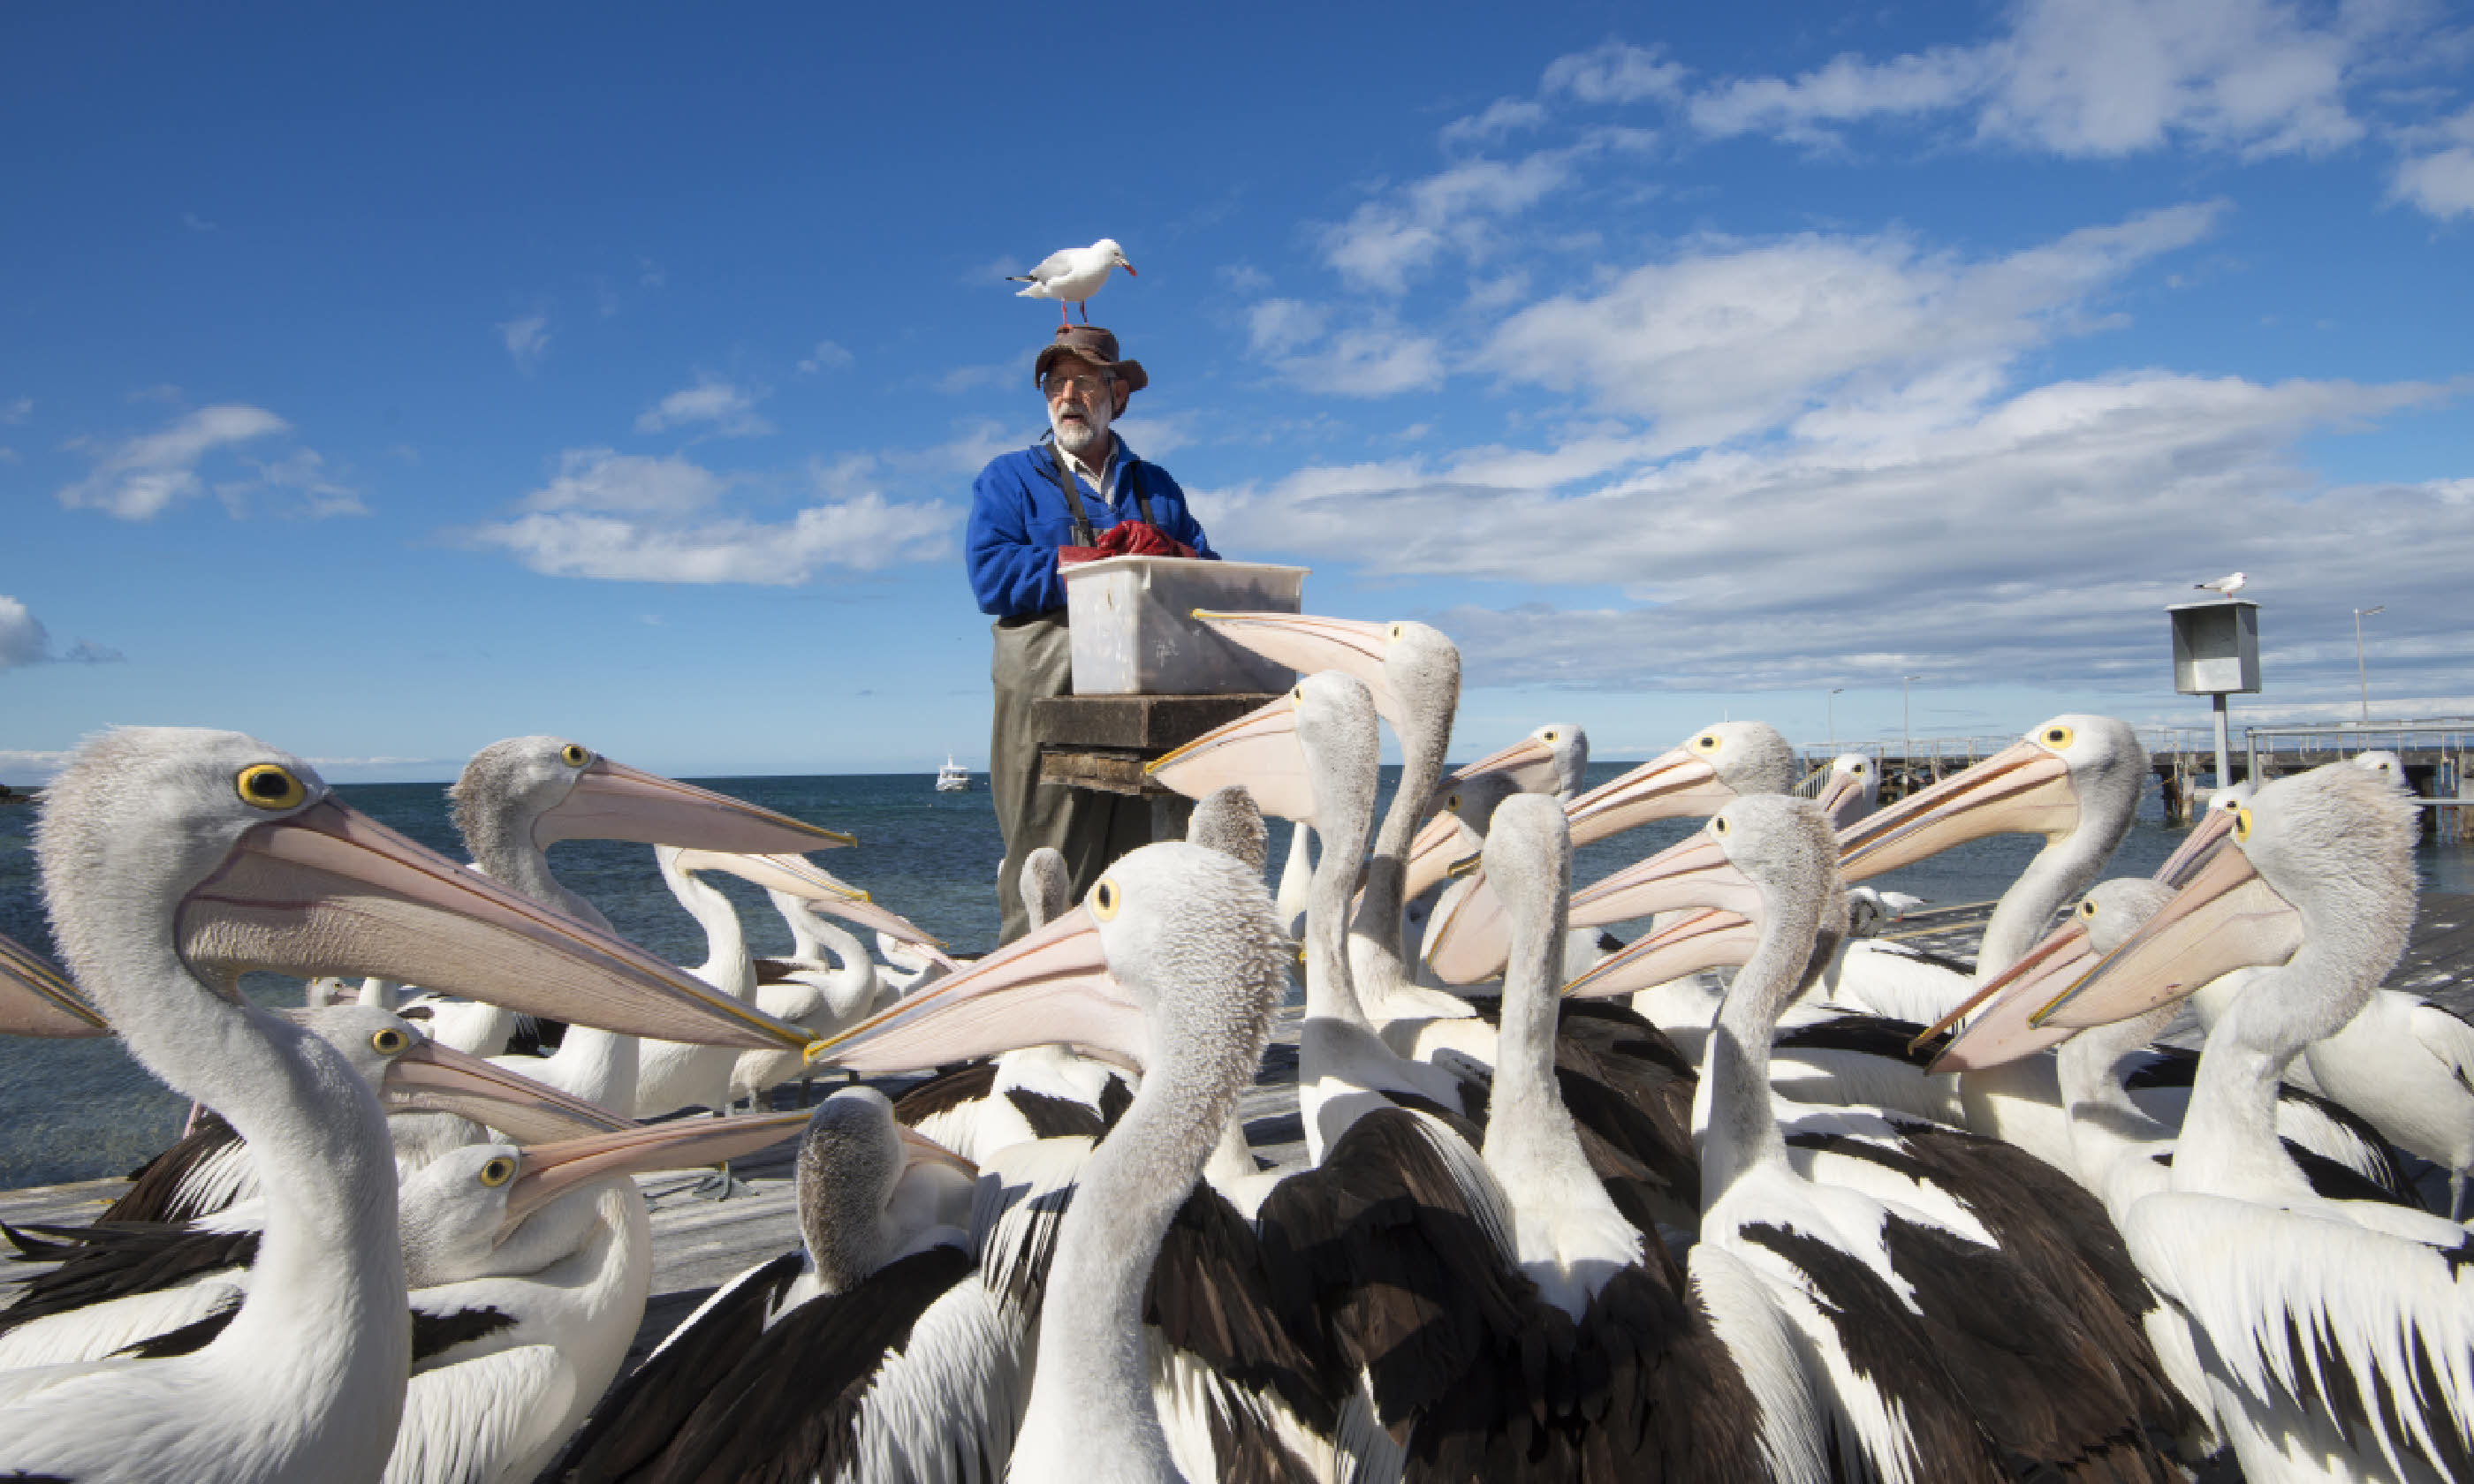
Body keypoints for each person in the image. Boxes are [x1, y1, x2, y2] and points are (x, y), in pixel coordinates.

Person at [965, 326, 1219, 943]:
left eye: (1084, 381)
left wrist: (1170, 550)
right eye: (1056, 383)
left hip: (1144, 698)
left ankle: (1116, 1019)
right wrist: (1089, 564)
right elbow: (991, 577)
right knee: (1044, 862)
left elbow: (1213, 578)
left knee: (1140, 867)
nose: (1067, 395)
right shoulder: (1008, 478)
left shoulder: (1157, 486)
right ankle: (1029, 1025)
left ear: (1118, 394)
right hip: (1046, 692)